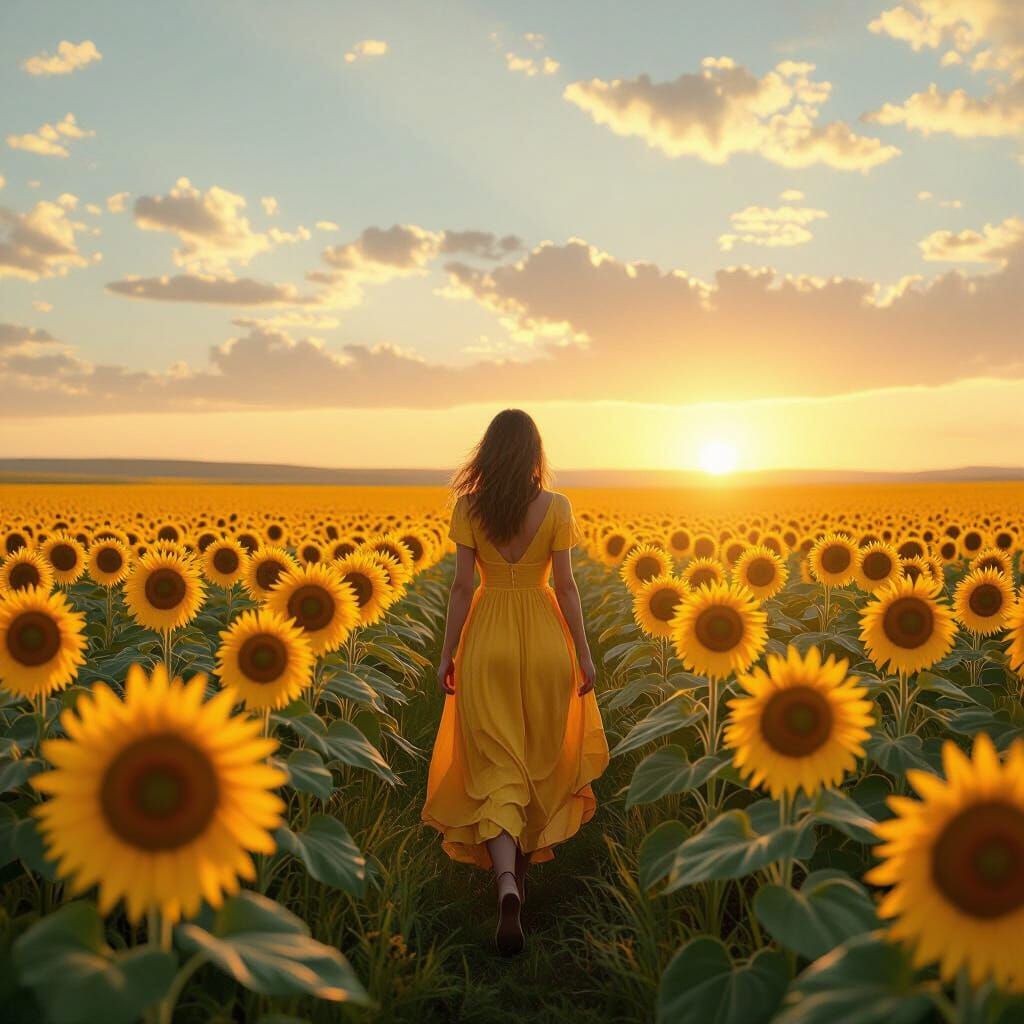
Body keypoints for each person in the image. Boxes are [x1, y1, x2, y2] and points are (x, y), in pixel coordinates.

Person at [420, 409, 611, 956]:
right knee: (535, 760)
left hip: (488, 642)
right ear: (534, 453)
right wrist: (584, 654)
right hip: (545, 638)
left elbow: (461, 588)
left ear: (488, 452)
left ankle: (505, 881)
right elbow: (567, 587)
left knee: (497, 764)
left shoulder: (468, 508)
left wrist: (447, 653)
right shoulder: (557, 506)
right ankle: (519, 886)